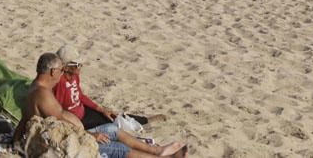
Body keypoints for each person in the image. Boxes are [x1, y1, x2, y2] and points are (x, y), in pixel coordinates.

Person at [14, 52, 185, 158]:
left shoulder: (35, 88)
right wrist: (91, 135)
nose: (61, 74)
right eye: (60, 71)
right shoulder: (44, 94)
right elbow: (63, 125)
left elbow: (24, 119)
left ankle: (156, 150)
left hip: (75, 132)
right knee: (118, 149)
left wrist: (15, 143)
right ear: (52, 71)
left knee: (112, 129)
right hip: (67, 143)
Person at [53, 45, 163, 132]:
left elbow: (80, 96)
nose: (80, 66)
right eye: (77, 64)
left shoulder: (75, 76)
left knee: (111, 115)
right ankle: (141, 123)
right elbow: (58, 110)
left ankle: (143, 120)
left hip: (83, 111)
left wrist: (100, 109)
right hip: (78, 121)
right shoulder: (60, 83)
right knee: (112, 127)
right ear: (66, 67)